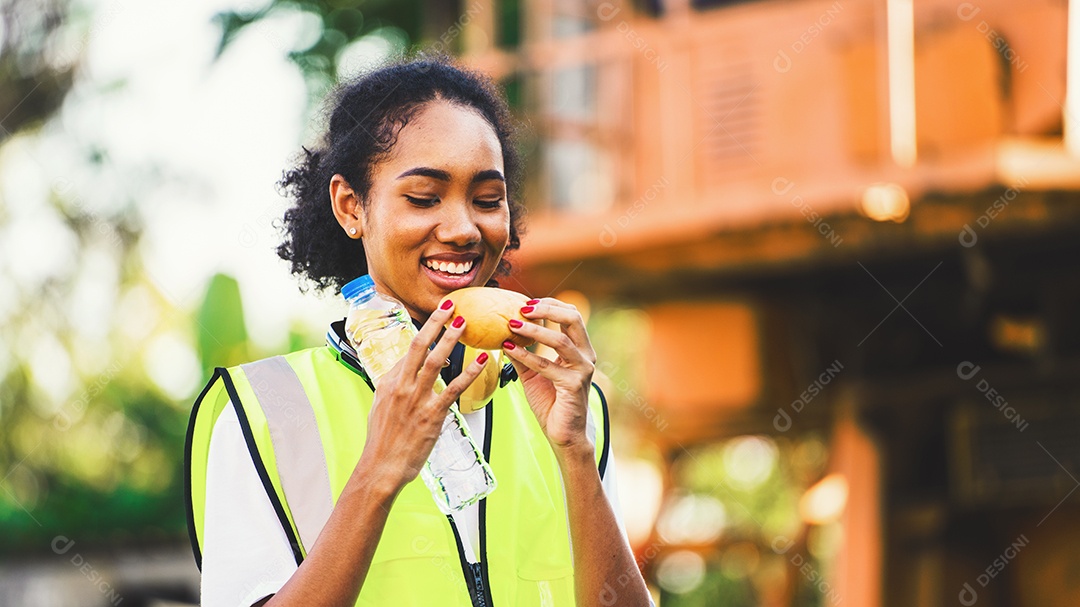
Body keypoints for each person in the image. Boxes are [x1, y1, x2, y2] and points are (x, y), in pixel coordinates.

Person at [184, 55, 652, 607]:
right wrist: (378, 473)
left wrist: (575, 453)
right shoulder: (264, 408)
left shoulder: (572, 407)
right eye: (424, 198)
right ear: (351, 205)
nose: (462, 229)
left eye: (487, 200)